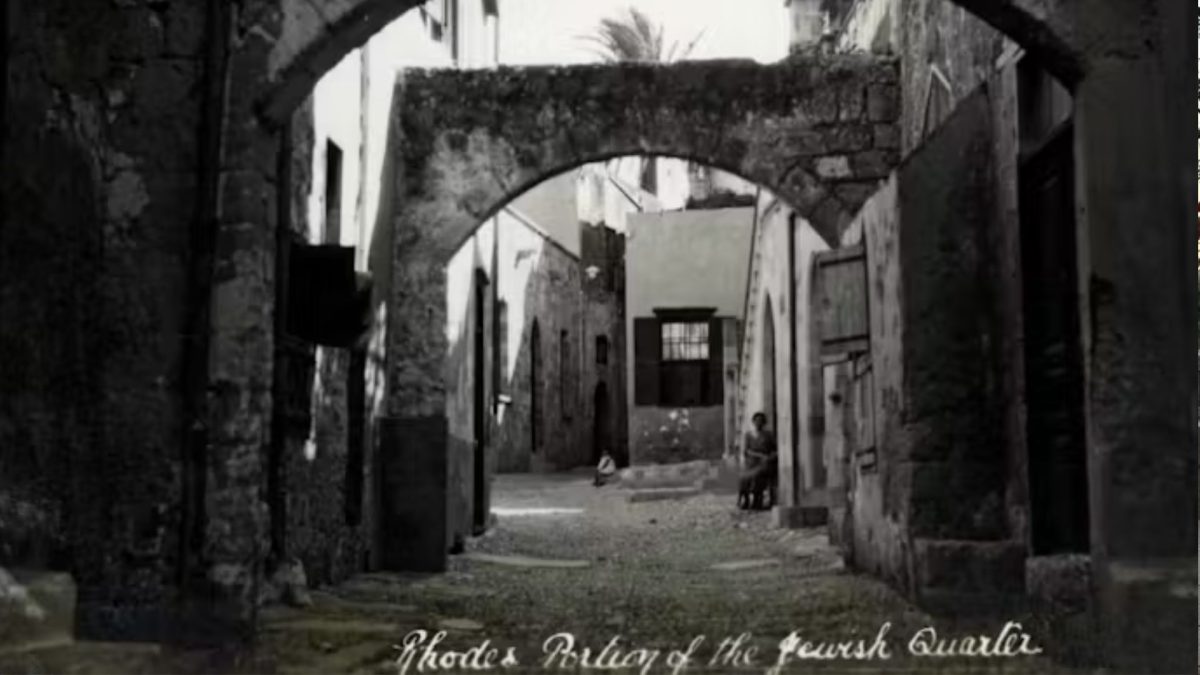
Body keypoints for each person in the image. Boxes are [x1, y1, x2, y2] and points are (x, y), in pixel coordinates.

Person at [743, 412, 778, 510]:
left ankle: (758, 500)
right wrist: (758, 455)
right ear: (753, 422)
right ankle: (746, 500)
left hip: (765, 463)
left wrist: (769, 457)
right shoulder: (748, 435)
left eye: (761, 421)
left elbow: (775, 450)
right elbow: (746, 451)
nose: (758, 423)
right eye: (756, 421)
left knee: (759, 476)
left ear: (764, 423)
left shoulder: (768, 435)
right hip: (752, 462)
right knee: (745, 478)